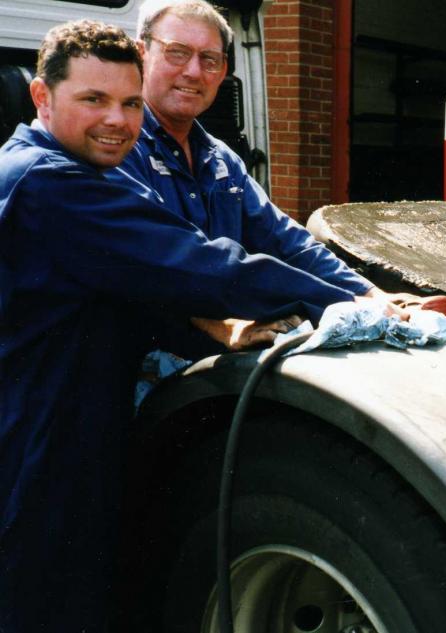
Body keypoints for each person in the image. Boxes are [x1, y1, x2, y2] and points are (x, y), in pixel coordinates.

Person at [0, 20, 384, 632]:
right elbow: (195, 263)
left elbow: (120, 295)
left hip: (74, 420)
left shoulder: (71, 166)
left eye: (128, 103)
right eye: (93, 100)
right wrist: (344, 303)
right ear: (42, 98)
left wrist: (210, 330)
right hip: (38, 438)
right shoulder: (51, 182)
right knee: (42, 600)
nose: (117, 120)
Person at [112, 0, 397, 348]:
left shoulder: (221, 160)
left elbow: (287, 241)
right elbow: (160, 265)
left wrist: (373, 294)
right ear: (141, 53)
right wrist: (344, 302)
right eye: (177, 52)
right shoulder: (118, 150)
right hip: (139, 365)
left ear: (223, 71)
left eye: (209, 59)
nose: (193, 71)